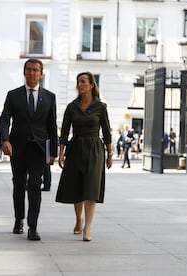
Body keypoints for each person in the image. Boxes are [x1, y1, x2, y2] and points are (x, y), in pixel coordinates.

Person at [0, 58, 58, 241]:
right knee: (18, 186)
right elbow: (4, 120)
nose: (32, 73)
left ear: (41, 74)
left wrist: (52, 152)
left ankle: (33, 226)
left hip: (39, 149)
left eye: (36, 70)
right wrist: (5, 140)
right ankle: (19, 219)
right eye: (29, 70)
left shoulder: (49, 97)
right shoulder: (13, 95)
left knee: (34, 186)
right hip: (18, 148)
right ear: (24, 72)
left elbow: (51, 126)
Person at [56, 72, 113, 242]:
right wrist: (61, 153)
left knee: (91, 188)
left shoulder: (101, 107)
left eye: (83, 82)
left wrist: (110, 154)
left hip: (95, 149)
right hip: (75, 148)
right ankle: (78, 219)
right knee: (77, 187)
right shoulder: (72, 107)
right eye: (78, 82)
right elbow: (64, 132)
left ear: (91, 85)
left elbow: (106, 131)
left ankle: (88, 226)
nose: (80, 85)